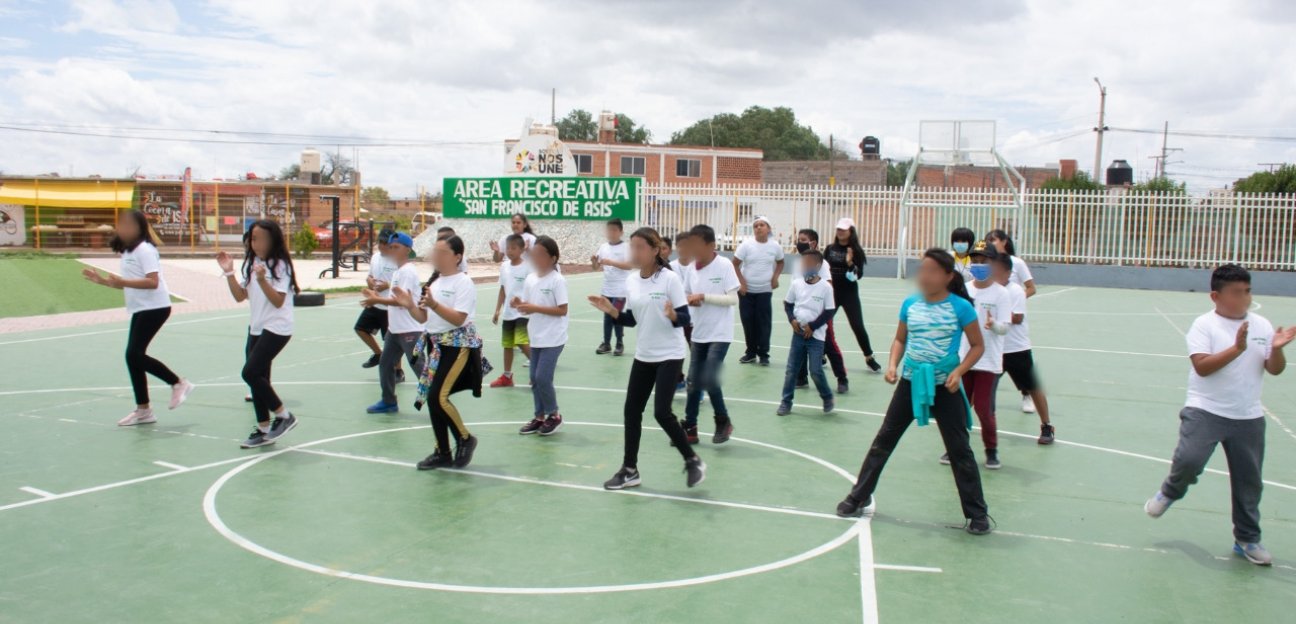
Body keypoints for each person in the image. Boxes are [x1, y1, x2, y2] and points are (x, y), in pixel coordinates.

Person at [1145, 264, 1294, 567]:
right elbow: (1202, 367)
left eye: (1248, 291)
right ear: (1216, 296)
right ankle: (1170, 492)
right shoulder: (1204, 325)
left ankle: (1247, 539)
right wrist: (1237, 349)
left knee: (1249, 482)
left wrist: (1277, 349)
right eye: (1237, 293)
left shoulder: (1262, 325)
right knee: (1189, 460)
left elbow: (1274, 369)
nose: (1245, 298)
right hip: (1206, 410)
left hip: (1248, 416)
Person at [836, 248, 992, 536]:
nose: (925, 276)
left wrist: (959, 372)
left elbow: (977, 345)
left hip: (946, 386)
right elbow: (900, 339)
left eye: (932, 271)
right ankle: (859, 496)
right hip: (910, 383)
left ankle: (977, 513)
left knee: (959, 450)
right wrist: (892, 365)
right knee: (884, 441)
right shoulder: (910, 304)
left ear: (948, 276)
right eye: (923, 270)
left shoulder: (961, 308)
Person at [588, 227, 706, 491]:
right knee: (631, 411)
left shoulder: (669, 279)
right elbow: (631, 319)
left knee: (661, 412)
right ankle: (630, 470)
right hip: (644, 354)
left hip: (670, 354)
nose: (635, 252)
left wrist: (673, 316)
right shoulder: (632, 281)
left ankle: (692, 460)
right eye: (633, 247)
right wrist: (611, 310)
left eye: (640, 247)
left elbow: (685, 318)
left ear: (655, 250)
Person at [81, 209, 193, 426]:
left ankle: (178, 383)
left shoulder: (145, 250)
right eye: (120, 224)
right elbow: (129, 283)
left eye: (128, 224)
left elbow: (153, 282)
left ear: (139, 228)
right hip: (141, 308)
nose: (122, 228)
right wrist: (103, 281)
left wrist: (122, 282)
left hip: (156, 307)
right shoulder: (128, 251)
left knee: (134, 354)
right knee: (133, 356)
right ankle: (144, 410)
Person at [392, 234, 483, 470]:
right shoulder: (434, 283)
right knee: (434, 399)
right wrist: (410, 305)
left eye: (442, 253)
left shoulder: (463, 283)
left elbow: (459, 319)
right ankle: (442, 451)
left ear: (457, 257)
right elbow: (423, 317)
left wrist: (434, 304)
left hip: (457, 345)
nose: (437, 257)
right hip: (435, 345)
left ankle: (465, 438)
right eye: (436, 252)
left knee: (437, 397)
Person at [216, 220, 300, 449]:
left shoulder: (280, 265)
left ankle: (284, 415)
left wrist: (262, 280)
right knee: (259, 380)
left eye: (260, 239)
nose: (255, 243)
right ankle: (263, 429)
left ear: (273, 240)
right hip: (256, 328)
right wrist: (229, 272)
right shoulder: (252, 263)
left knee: (250, 372)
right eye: (252, 239)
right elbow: (239, 296)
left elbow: (278, 301)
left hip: (278, 328)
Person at [941, 242, 1012, 470]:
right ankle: (955, 447)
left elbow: (1006, 326)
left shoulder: (1001, 293)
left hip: (988, 361)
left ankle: (991, 450)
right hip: (965, 358)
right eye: (975, 261)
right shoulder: (965, 290)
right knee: (959, 407)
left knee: (983, 407)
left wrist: (994, 325)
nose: (979, 265)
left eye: (984, 261)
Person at [682, 224, 741, 444]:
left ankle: (722, 420)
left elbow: (733, 299)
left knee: (708, 378)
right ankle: (690, 427)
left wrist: (704, 297)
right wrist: (690, 302)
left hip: (720, 333)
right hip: (699, 332)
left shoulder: (724, 265)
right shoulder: (691, 269)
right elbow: (686, 295)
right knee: (693, 382)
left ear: (711, 245)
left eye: (697, 245)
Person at [361, 232, 423, 414]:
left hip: (410, 330)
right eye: (391, 247)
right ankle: (389, 401)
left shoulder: (408, 272)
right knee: (386, 364)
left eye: (397, 247)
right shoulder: (398, 272)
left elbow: (402, 301)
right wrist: (374, 297)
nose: (392, 250)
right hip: (395, 330)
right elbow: (395, 299)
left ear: (408, 250)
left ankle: (439, 400)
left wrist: (376, 300)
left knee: (420, 368)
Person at [513, 236, 568, 436]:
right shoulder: (531, 279)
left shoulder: (557, 280)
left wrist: (534, 307)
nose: (536, 258)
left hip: (553, 338)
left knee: (542, 377)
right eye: (534, 254)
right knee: (534, 378)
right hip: (536, 336)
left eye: (541, 254)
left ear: (553, 258)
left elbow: (562, 310)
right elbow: (528, 307)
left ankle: (554, 415)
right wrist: (519, 305)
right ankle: (539, 417)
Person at [999, 255, 1055, 444]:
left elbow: (1017, 318)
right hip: (993, 349)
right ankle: (959, 434)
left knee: (1032, 386)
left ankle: (1046, 425)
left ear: (1008, 272)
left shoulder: (1015, 290)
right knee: (976, 390)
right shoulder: (986, 289)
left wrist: (992, 316)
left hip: (1016, 348)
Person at [777, 249, 836, 415]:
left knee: (815, 370)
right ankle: (786, 402)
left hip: (816, 337)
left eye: (808, 263)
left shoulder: (825, 287)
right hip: (798, 335)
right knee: (791, 370)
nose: (805, 266)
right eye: (803, 263)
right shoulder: (797, 284)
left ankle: (827, 396)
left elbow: (829, 311)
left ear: (818, 266)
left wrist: (813, 326)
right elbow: (788, 304)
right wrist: (792, 320)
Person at [794, 228, 849, 394]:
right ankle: (801, 377)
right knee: (801, 344)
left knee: (829, 344)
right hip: (802, 312)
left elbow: (828, 287)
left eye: (803, 240)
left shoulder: (822, 264)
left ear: (813, 244)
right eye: (799, 239)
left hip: (820, 312)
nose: (799, 243)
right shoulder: (798, 264)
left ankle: (842, 378)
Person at [825, 217, 882, 372]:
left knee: (857, 325)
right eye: (838, 229)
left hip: (849, 293)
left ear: (851, 232)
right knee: (824, 324)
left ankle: (869, 357)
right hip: (831, 292)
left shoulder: (856, 251)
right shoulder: (830, 249)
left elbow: (858, 276)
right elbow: (823, 269)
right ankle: (822, 354)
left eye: (843, 229)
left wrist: (850, 262)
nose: (840, 232)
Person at [733, 215, 784, 366]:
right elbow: (735, 264)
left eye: (762, 225)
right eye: (756, 226)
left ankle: (763, 354)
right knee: (748, 321)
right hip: (746, 291)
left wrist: (775, 277)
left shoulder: (775, 246)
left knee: (764, 323)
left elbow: (781, 262)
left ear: (768, 228)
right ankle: (750, 353)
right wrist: (742, 283)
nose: (758, 228)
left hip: (765, 290)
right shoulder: (746, 245)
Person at [489, 234, 531, 388]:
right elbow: (502, 289)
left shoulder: (528, 267)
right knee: (507, 344)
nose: (510, 251)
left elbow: (533, 288)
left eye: (514, 248)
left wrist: (528, 305)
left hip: (522, 312)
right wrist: (497, 310)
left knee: (521, 341)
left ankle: (538, 370)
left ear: (522, 250)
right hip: (508, 313)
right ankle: (507, 377)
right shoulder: (504, 267)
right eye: (508, 248)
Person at [355, 228, 397, 370]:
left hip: (390, 306)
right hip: (375, 303)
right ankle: (378, 354)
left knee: (392, 340)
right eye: (380, 242)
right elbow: (370, 276)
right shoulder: (375, 257)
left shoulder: (397, 260)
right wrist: (370, 281)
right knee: (360, 328)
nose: (382, 246)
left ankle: (398, 370)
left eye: (386, 243)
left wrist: (388, 285)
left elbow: (402, 283)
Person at [590, 218, 632, 356]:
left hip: (621, 289)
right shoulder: (603, 247)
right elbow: (596, 268)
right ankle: (606, 343)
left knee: (616, 315)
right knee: (607, 316)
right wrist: (594, 262)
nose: (611, 233)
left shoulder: (626, 247)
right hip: (606, 288)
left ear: (621, 232)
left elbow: (629, 265)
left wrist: (612, 262)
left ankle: (619, 343)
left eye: (615, 230)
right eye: (609, 230)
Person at [670, 231, 695, 392]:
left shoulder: (698, 267)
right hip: (676, 317)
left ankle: (695, 384)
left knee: (696, 353)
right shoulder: (670, 268)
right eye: (680, 245)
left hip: (695, 319)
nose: (683, 249)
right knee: (675, 351)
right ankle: (678, 379)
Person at [986, 229, 1036, 298]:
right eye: (987, 241)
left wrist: (1016, 299)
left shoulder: (1017, 262)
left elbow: (1031, 289)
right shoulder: (986, 262)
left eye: (993, 240)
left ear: (1004, 242)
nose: (990, 244)